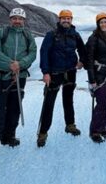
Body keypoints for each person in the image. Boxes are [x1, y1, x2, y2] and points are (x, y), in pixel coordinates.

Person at [0, 8, 37, 159]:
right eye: (15, 18)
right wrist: (10, 64)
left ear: (24, 21)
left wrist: (21, 64)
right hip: (1, 77)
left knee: (14, 108)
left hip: (20, 76)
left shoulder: (27, 35)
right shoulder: (0, 33)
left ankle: (8, 136)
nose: (17, 21)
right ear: (10, 19)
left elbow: (32, 52)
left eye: (20, 18)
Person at [37, 10, 86, 147]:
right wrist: (45, 72)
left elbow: (82, 50)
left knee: (68, 100)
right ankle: (43, 133)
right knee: (49, 103)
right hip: (54, 73)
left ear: (71, 20)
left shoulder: (75, 35)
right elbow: (44, 52)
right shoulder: (51, 35)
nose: (66, 20)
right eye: (63, 18)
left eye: (68, 18)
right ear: (59, 20)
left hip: (70, 71)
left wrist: (82, 61)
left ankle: (70, 125)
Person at [86, 12, 106, 143]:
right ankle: (94, 131)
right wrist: (92, 80)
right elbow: (89, 59)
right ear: (98, 24)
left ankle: (102, 127)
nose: (104, 24)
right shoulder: (93, 38)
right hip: (99, 75)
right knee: (102, 103)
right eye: (101, 22)